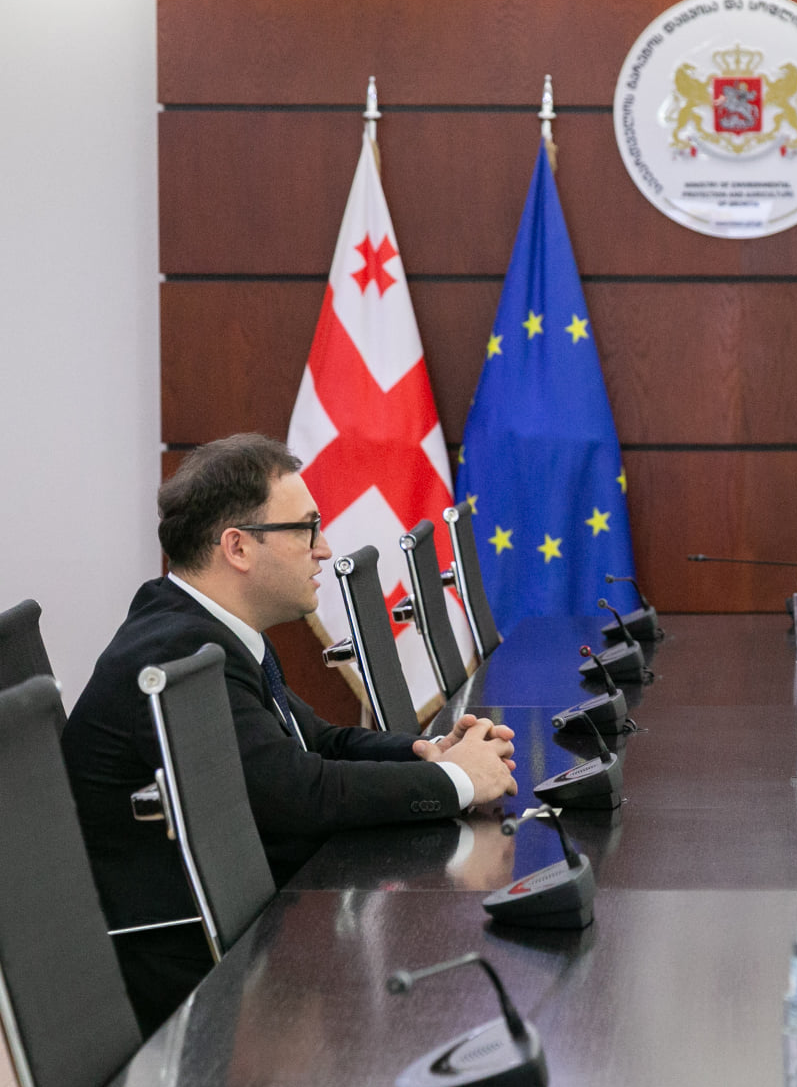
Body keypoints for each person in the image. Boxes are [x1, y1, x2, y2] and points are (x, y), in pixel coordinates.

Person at [63, 434, 519, 1034]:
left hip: (239, 921)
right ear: (238, 547)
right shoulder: (179, 649)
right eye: (306, 530)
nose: (324, 549)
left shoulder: (207, 626)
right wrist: (458, 780)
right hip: (184, 970)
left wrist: (429, 753)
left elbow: (318, 742)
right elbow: (298, 793)